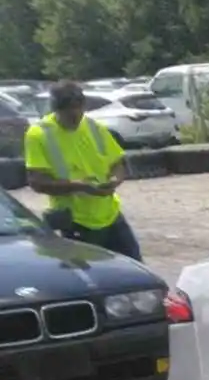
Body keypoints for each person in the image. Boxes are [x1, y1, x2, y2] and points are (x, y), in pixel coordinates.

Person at [23, 79, 142, 260]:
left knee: (135, 268)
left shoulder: (95, 128)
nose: (75, 116)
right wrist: (79, 186)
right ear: (56, 110)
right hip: (74, 221)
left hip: (110, 215)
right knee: (91, 280)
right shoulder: (39, 134)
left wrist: (114, 180)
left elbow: (118, 163)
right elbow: (37, 182)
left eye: (78, 110)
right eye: (69, 112)